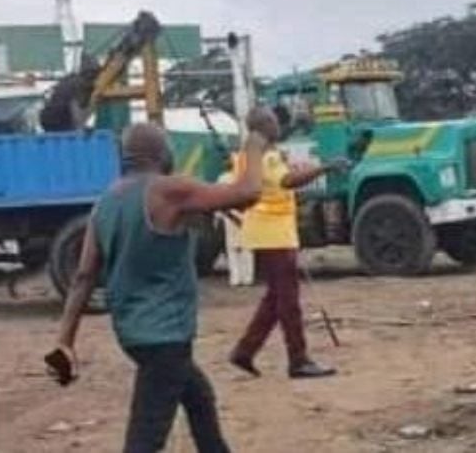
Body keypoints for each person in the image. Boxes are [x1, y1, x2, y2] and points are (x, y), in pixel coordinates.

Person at [48, 122, 266, 453]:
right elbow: (249, 192)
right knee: (145, 439)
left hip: (134, 334)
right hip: (165, 336)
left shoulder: (105, 202)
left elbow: (83, 276)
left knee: (199, 398)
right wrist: (255, 139)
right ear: (161, 153)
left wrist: (65, 342)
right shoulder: (167, 190)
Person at [229, 107, 348, 378]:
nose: (278, 124)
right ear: (261, 127)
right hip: (272, 233)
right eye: (272, 120)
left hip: (271, 231)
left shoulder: (256, 154)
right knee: (288, 300)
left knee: (276, 297)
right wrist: (326, 166)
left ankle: (244, 351)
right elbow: (287, 181)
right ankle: (298, 359)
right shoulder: (265, 157)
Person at [217, 171, 255, 288]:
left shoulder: (224, 178)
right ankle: (245, 279)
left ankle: (236, 279)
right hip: (243, 215)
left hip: (233, 214)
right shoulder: (249, 177)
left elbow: (221, 198)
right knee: (244, 249)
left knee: (236, 249)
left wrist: (226, 214)